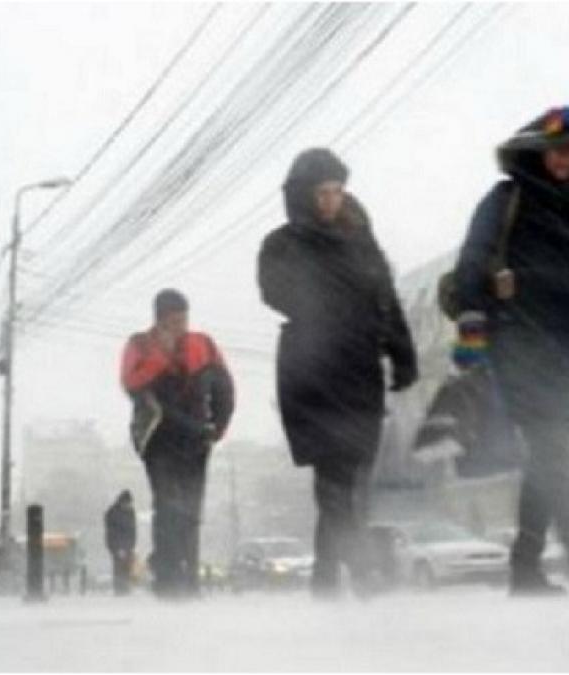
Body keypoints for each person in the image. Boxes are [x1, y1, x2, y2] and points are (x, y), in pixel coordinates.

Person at [258, 148, 417, 599]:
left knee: (354, 478)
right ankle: (362, 569)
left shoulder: (363, 245)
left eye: (337, 191)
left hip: (360, 371)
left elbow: (387, 301)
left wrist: (402, 354)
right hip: (310, 371)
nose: (330, 201)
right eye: (322, 192)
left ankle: (326, 579)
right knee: (333, 475)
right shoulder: (281, 244)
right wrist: (330, 299)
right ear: (303, 196)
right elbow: (275, 291)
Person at [451, 107, 569, 596]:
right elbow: (472, 264)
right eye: (558, 152)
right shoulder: (508, 200)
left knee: (553, 458)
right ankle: (526, 567)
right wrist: (473, 333)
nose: (565, 162)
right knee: (554, 450)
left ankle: (525, 566)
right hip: (521, 344)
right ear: (537, 153)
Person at [121, 289, 234, 598]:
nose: (180, 326)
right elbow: (131, 384)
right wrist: (161, 356)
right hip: (158, 440)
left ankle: (186, 576)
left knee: (190, 510)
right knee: (169, 505)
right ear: (159, 320)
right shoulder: (140, 345)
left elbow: (225, 387)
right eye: (173, 320)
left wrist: (217, 428)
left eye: (183, 319)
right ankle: (169, 577)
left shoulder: (204, 345)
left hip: (196, 440)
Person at [104, 490, 136, 596]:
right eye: (128, 503)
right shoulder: (112, 513)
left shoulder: (130, 512)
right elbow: (112, 533)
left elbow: (133, 531)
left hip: (128, 546)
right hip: (117, 547)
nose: (129, 505)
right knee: (119, 570)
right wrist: (117, 548)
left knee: (127, 570)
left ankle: (126, 590)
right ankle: (119, 591)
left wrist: (131, 546)